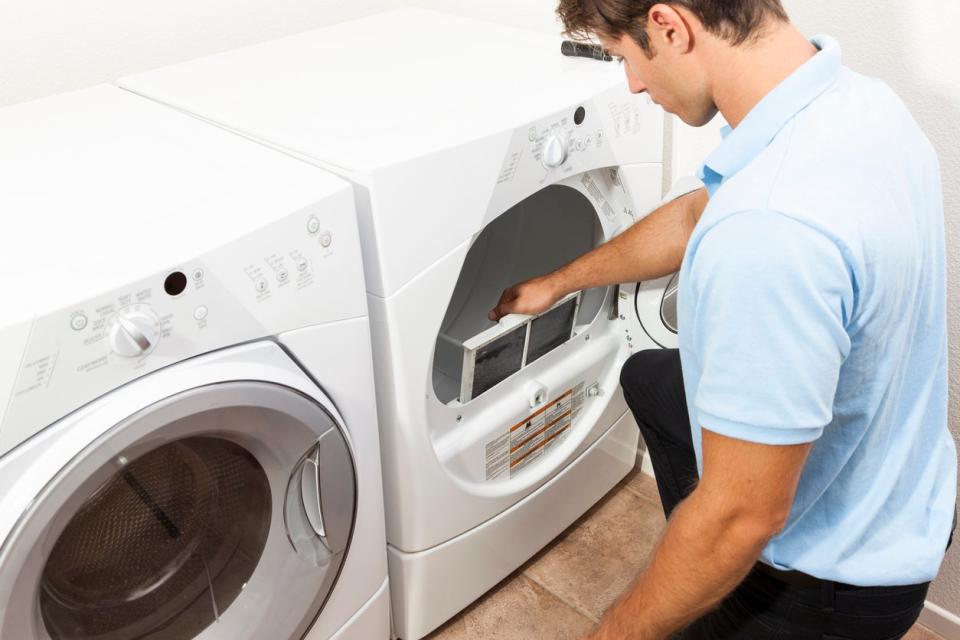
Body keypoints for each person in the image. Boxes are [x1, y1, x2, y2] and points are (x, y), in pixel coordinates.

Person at [488, 1, 957, 638]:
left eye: (625, 58)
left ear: (669, 26)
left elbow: (743, 517)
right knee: (651, 377)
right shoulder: (858, 105)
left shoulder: (770, 231)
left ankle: (710, 564)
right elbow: (694, 214)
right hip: (904, 489)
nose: (632, 85)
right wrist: (559, 281)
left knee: (710, 547)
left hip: (823, 590)